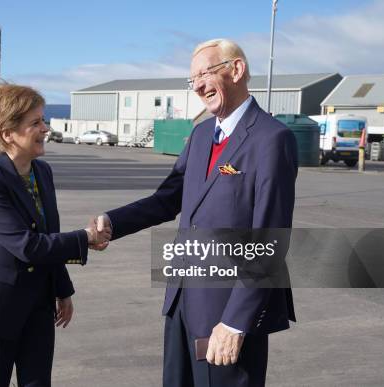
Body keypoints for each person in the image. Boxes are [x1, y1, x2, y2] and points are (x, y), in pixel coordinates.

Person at [94, 39, 298, 386]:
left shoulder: (271, 139)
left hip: (228, 312)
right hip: (182, 303)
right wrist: (114, 222)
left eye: (205, 73)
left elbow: (269, 240)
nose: (199, 86)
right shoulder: (202, 134)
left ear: (237, 70)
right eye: (193, 80)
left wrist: (236, 322)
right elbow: (168, 198)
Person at [0, 84, 110, 387]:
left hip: (38, 303)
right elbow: (28, 246)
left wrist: (62, 289)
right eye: (35, 123)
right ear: (7, 133)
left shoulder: (42, 172)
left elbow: (49, 234)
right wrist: (87, 237)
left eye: (44, 120)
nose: (45, 128)